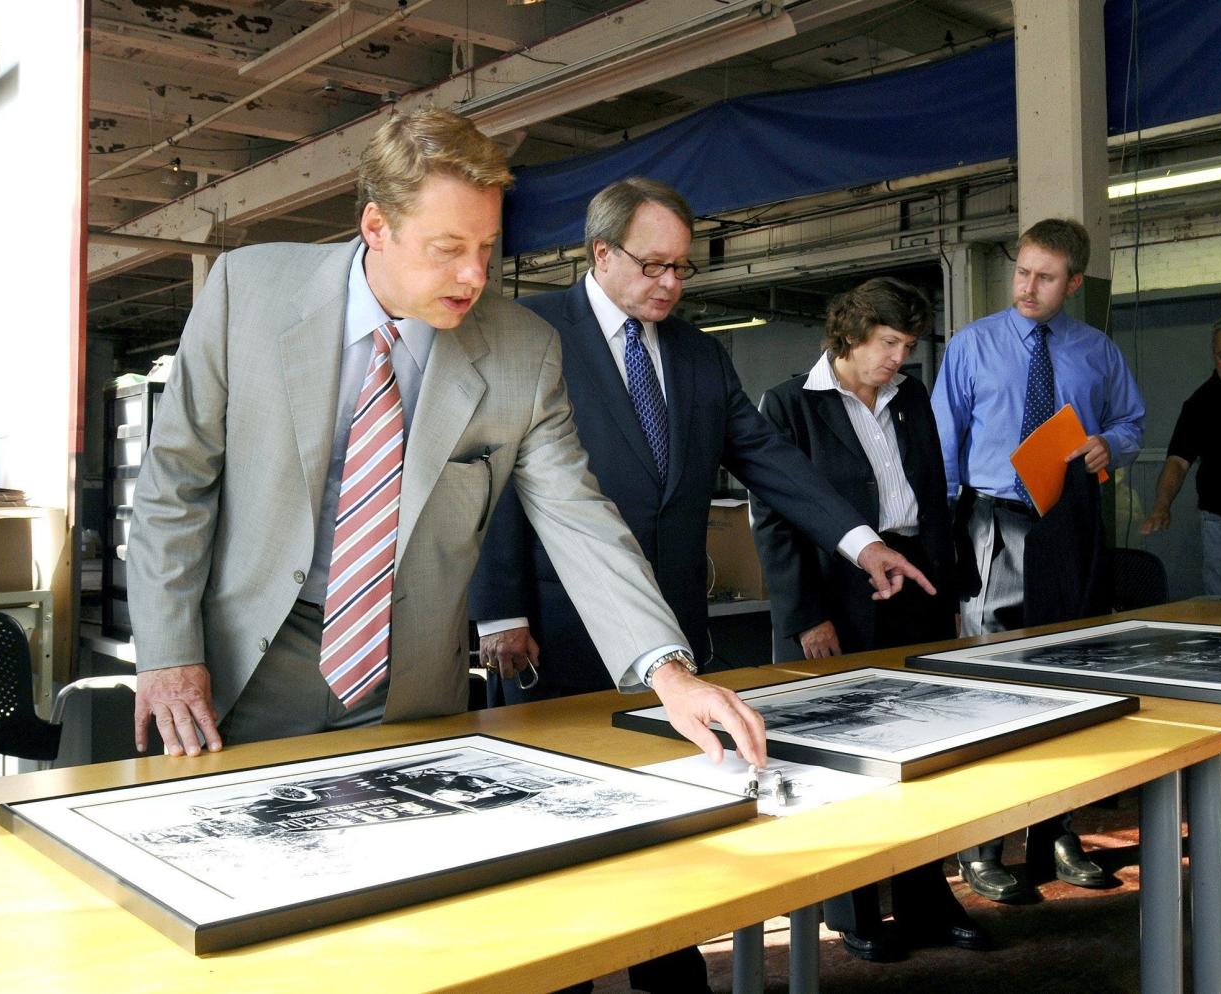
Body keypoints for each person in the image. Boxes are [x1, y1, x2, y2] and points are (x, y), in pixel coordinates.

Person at [126, 109, 767, 774]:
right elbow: (177, 483)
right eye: (448, 249)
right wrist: (170, 651)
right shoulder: (246, 293)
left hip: (407, 687)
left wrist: (668, 671)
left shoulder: (523, 351)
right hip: (243, 666)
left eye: (487, 247)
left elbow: (579, 520)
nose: (475, 276)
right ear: (377, 227)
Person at [468, 178, 936, 993]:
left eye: (683, 269)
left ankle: (664, 957)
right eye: (655, 266)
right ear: (602, 254)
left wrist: (859, 543)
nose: (672, 285)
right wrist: (499, 609)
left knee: (663, 802)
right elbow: (496, 478)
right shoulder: (529, 328)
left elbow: (768, 459)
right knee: (564, 815)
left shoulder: (696, 351)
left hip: (674, 629)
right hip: (556, 620)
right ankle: (558, 969)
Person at [750, 277, 985, 961]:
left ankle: (925, 902)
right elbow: (775, 521)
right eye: (888, 343)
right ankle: (849, 909)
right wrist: (806, 618)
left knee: (923, 748)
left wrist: (949, 595)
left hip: (915, 583)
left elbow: (933, 500)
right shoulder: (791, 405)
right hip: (839, 590)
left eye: (908, 346)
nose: (898, 359)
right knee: (846, 753)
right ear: (850, 333)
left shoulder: (910, 398)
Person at [932, 217, 1146, 903]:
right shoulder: (972, 347)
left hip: (1066, 526)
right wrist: (940, 539)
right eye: (1021, 272)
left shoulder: (1097, 352)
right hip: (993, 524)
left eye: (1044, 277)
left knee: (1066, 682)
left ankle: (1055, 832)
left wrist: (1108, 446)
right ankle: (981, 845)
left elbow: (1132, 423)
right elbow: (940, 447)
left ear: (1074, 282)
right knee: (996, 689)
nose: (1027, 287)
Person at [1140, 317, 1221, 596]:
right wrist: (1162, 505)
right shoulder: (1200, 404)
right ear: (1213, 354)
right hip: (1220, 517)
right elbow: (1178, 461)